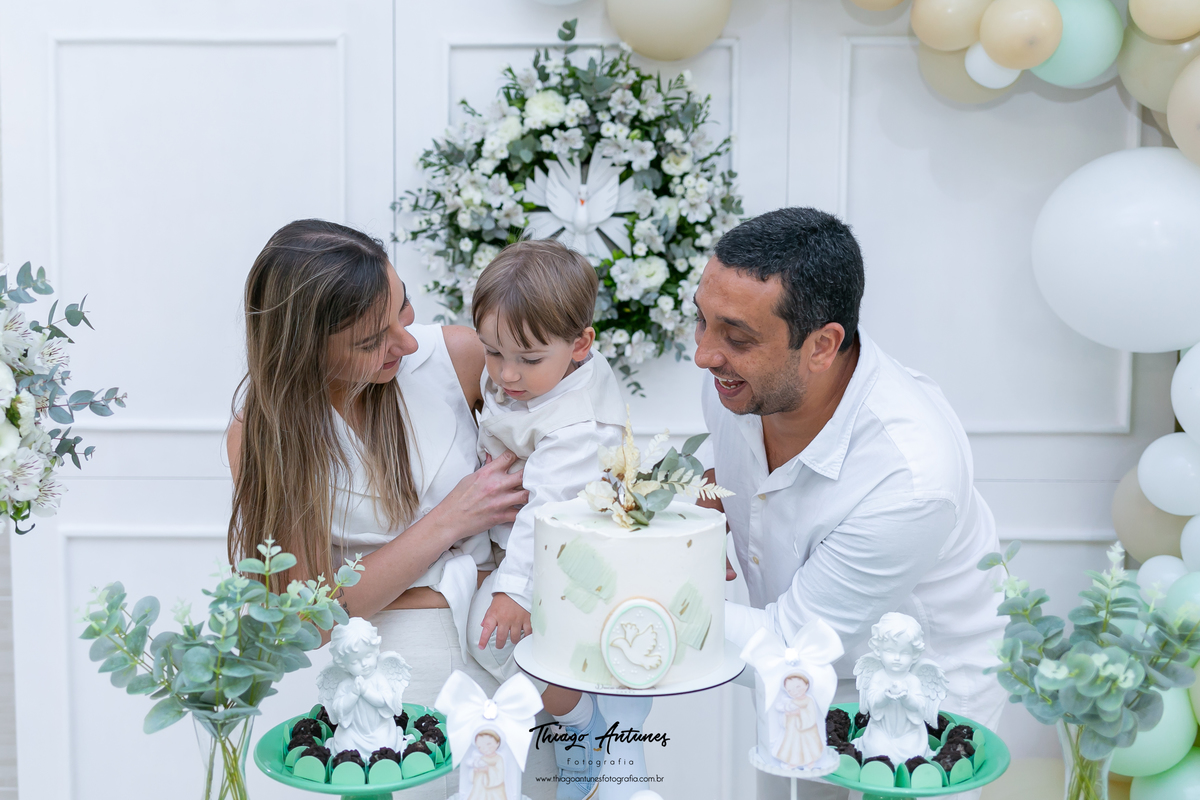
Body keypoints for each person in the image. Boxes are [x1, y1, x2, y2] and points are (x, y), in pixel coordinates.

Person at [225, 219, 554, 798]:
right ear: (305, 349)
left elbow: (578, 422)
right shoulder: (265, 435)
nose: (406, 341)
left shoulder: (452, 357)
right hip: (388, 678)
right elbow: (309, 619)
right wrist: (451, 522)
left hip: (510, 642)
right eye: (371, 340)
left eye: (402, 309)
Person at [694, 207, 1006, 800]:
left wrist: (639, 592)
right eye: (703, 322)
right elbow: (741, 477)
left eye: (736, 337)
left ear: (823, 345)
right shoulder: (737, 387)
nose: (705, 354)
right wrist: (702, 504)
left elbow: (788, 643)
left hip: (922, 707)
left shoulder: (910, 477)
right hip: (798, 683)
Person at [465, 239, 625, 799]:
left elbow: (548, 512)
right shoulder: (527, 371)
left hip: (570, 549)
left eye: (528, 360)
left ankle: (582, 720)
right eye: (493, 353)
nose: (507, 374)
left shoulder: (578, 423)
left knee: (495, 643)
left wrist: (514, 588)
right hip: (519, 537)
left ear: (581, 345)